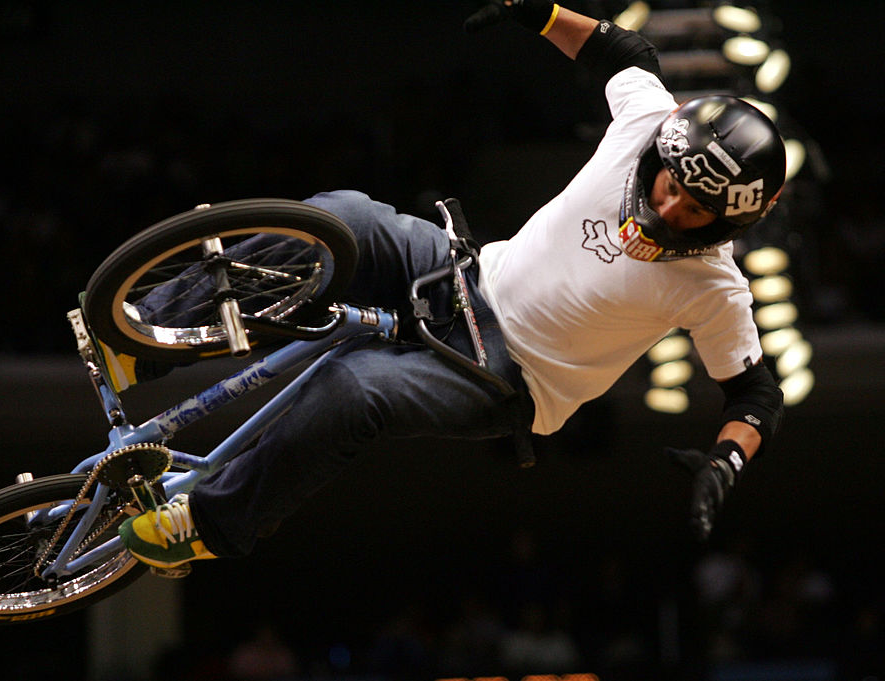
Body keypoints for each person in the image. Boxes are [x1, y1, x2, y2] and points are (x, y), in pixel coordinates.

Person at [116, 1, 786, 567]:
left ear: (727, 221)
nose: (669, 209)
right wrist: (541, 13)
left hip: (505, 377)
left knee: (354, 388)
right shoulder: (647, 122)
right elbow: (623, 51)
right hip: (465, 271)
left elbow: (754, 391)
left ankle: (205, 526)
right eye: (672, 187)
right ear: (669, 153)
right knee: (341, 218)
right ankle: (142, 337)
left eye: (694, 211)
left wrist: (724, 463)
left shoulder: (713, 286)